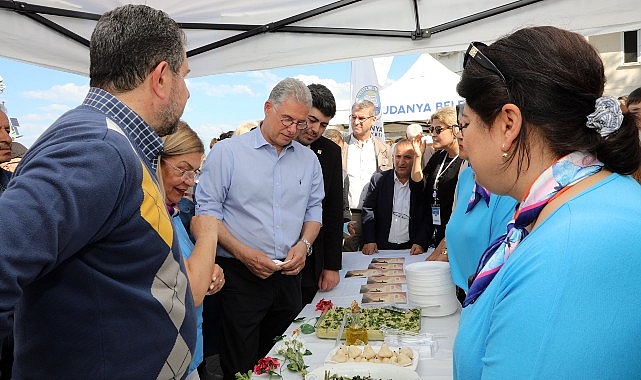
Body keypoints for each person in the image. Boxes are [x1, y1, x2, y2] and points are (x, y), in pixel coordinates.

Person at [0, 5, 197, 379]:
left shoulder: (114, 143)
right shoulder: (98, 148)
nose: (186, 93)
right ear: (160, 77)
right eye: (184, 76)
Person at [453, 27, 641, 378]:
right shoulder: (586, 201)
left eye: (468, 122)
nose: (463, 135)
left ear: (508, 124)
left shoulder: (575, 242)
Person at [195, 77, 324, 379]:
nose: (293, 130)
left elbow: (314, 211)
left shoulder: (308, 160)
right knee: (240, 365)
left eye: (301, 123)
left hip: (288, 276)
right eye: (287, 119)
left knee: (286, 360)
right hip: (240, 278)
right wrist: (243, 254)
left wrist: (304, 245)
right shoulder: (228, 153)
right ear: (267, 108)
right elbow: (207, 214)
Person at [422, 104, 517, 302]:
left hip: (489, 301)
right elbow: (454, 228)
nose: (459, 134)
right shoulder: (466, 177)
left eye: (465, 125)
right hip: (461, 296)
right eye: (459, 126)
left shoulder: (508, 187)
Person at [160, 121, 224, 380]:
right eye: (183, 170)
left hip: (187, 353)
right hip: (166, 358)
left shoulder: (172, 213)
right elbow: (192, 293)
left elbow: (187, 267)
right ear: (157, 161)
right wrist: (209, 232)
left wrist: (210, 269)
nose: (190, 182)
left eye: (194, 172)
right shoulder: (153, 219)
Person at [296, 83, 343, 305]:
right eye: (312, 120)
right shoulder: (274, 145)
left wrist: (332, 265)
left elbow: (333, 211)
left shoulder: (331, 152)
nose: (315, 129)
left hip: (312, 257)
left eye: (323, 125)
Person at [361, 138, 429, 255]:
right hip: (382, 249)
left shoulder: (422, 185)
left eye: (407, 157)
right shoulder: (379, 180)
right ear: (392, 157)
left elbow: (427, 216)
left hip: (412, 250)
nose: (401, 162)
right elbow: (368, 210)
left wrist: (421, 242)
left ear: (415, 159)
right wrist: (369, 239)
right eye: (398, 156)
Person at [342, 99, 393, 252]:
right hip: (349, 216)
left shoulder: (384, 149)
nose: (356, 122)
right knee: (347, 262)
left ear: (373, 120)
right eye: (353, 117)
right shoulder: (341, 146)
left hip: (374, 217)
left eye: (361, 118)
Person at [411, 107, 463, 248]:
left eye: (438, 130)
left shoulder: (465, 161)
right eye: (431, 129)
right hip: (436, 231)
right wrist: (417, 156)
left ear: (455, 130)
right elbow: (418, 188)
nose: (433, 134)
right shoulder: (438, 157)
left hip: (455, 237)